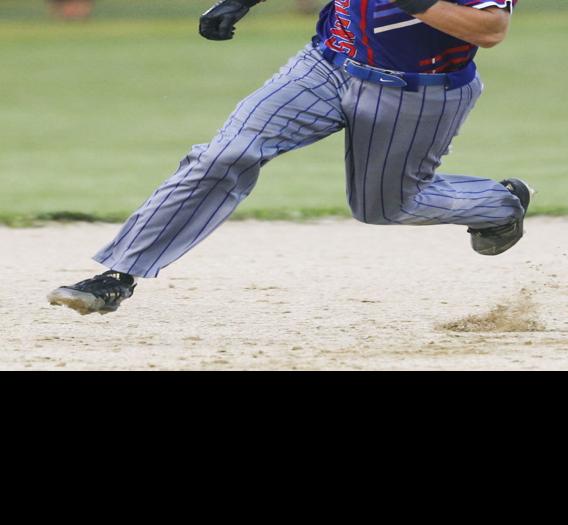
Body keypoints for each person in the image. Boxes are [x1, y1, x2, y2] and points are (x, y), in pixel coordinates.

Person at [48, 0, 531, 316]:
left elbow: (490, 29)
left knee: (385, 207)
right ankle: (118, 275)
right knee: (223, 155)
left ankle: (499, 204)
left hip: (416, 93)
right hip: (324, 65)